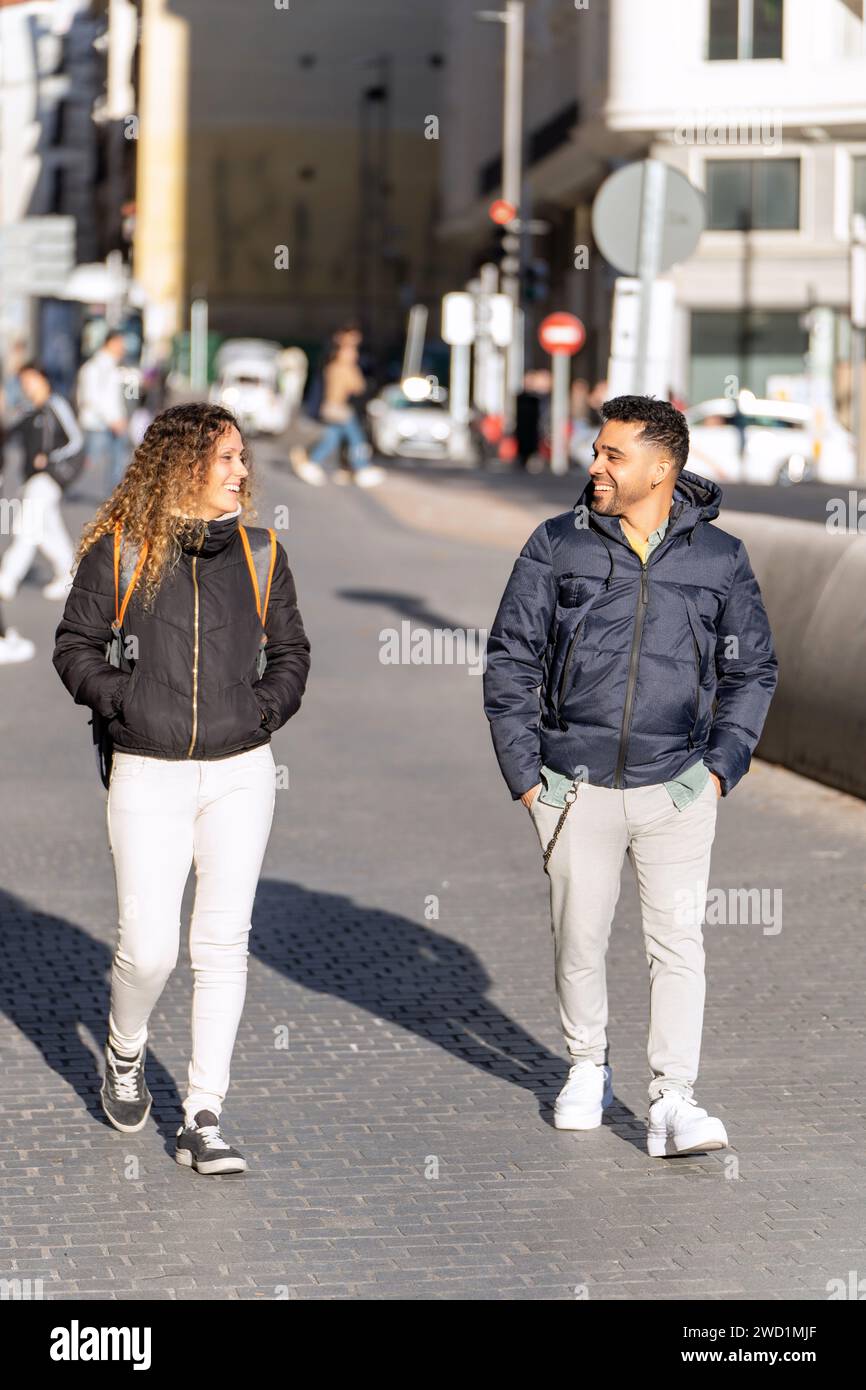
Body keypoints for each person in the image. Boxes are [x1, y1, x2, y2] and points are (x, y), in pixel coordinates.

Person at [483, 396, 778, 1157]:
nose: (597, 466)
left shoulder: (720, 559)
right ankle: (587, 1066)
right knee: (578, 938)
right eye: (599, 451)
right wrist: (526, 775)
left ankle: (673, 1099)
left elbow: (754, 670)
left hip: (677, 784)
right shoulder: (558, 543)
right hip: (573, 784)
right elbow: (511, 659)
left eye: (614, 455)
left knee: (678, 943)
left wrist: (717, 770)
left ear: (663, 468)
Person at [52, 403, 311, 1174]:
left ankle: (203, 1114)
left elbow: (292, 651)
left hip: (241, 771)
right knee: (149, 948)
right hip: (147, 768)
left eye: (241, 458)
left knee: (223, 945)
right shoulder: (123, 552)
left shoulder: (263, 554)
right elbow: (75, 647)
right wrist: (127, 703)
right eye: (227, 458)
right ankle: (125, 1051)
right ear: (184, 466)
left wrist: (262, 709)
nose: (242, 472)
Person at [0, 362, 82, 602]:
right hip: (32, 479)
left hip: (49, 478)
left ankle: (7, 577)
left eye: (30, 380)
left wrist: (50, 460)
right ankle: (70, 574)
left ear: (42, 378)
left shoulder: (55, 405)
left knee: (26, 526)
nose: (27, 386)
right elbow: (7, 435)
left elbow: (76, 440)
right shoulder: (26, 411)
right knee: (47, 530)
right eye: (23, 382)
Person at [290, 338, 384, 488]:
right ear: (340, 353)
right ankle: (362, 467)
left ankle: (311, 461)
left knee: (332, 437)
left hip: (329, 408)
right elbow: (358, 387)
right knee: (357, 438)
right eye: (351, 352)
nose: (354, 355)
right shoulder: (345, 368)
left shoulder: (331, 367)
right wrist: (356, 370)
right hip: (340, 409)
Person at [77, 329, 130, 495]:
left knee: (118, 463)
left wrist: (120, 418)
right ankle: (63, 487)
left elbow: (116, 398)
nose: (123, 348)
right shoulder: (95, 367)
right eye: (120, 343)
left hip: (114, 423)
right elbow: (91, 397)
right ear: (110, 343)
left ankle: (114, 498)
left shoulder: (114, 366)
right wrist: (112, 419)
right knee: (88, 463)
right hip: (98, 424)